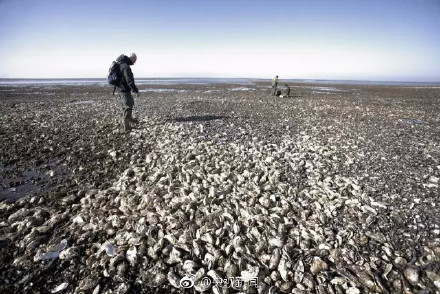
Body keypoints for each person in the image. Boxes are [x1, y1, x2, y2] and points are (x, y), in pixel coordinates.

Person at [116, 53, 139, 131]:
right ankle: (126, 126)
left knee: (130, 103)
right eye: (134, 60)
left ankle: (129, 118)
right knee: (127, 106)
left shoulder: (122, 63)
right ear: (131, 58)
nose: (134, 62)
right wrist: (135, 90)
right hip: (123, 89)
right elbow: (129, 80)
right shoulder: (125, 66)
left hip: (122, 89)